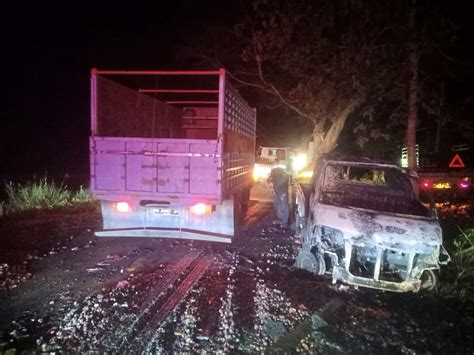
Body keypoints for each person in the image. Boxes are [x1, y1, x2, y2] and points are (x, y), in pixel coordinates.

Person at [267, 148, 291, 228]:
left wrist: (280, 174)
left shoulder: (287, 162)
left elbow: (290, 172)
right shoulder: (274, 162)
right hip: (275, 186)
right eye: (277, 153)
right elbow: (272, 173)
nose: (278, 155)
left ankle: (284, 222)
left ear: (283, 154)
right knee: (277, 204)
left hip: (282, 186)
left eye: (280, 153)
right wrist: (269, 178)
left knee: (283, 204)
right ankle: (279, 219)